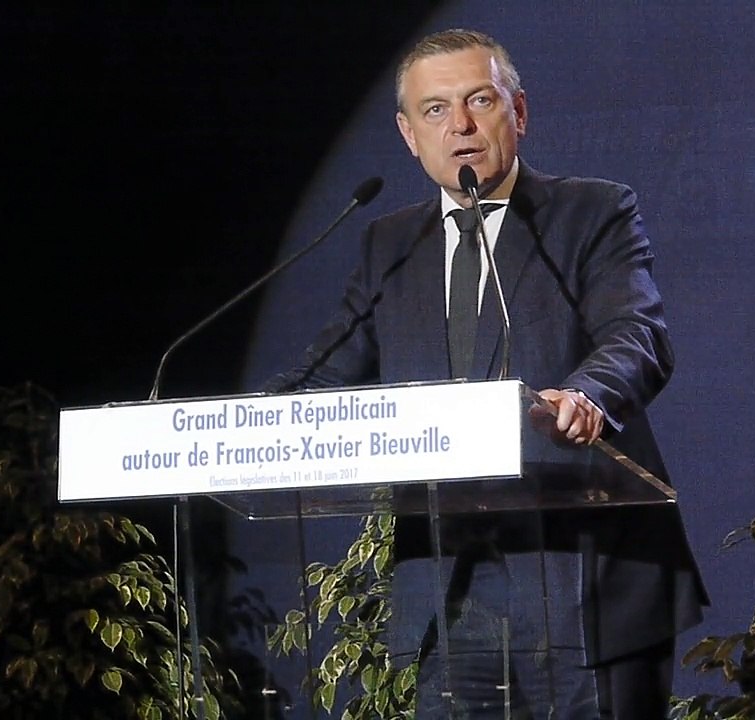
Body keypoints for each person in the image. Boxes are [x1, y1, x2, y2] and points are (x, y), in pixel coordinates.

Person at [265, 28, 707, 718]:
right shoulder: (390, 244)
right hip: (449, 595)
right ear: (409, 135)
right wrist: (239, 427)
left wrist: (587, 395)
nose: (461, 126)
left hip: (583, 581)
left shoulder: (592, 211)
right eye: (435, 109)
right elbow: (321, 378)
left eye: (480, 100)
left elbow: (637, 333)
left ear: (518, 112)